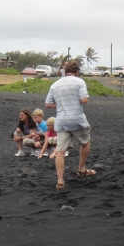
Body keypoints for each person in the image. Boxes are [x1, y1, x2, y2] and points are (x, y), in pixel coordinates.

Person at [45, 61, 95, 190]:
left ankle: (60, 180)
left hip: (61, 121)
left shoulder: (55, 84)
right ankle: (81, 168)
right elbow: (84, 100)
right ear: (77, 71)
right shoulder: (79, 82)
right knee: (85, 142)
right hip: (76, 119)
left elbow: (48, 104)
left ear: (65, 71)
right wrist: (74, 100)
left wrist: (61, 103)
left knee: (60, 151)